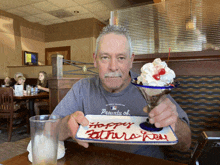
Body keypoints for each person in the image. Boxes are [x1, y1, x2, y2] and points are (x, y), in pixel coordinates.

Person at [51, 25, 191, 159]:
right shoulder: (82, 89)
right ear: (95, 60)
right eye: (105, 57)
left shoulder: (150, 87)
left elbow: (186, 144)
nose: (113, 67)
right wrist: (66, 126)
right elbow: (47, 131)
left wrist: (174, 124)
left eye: (121, 58)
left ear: (131, 60)